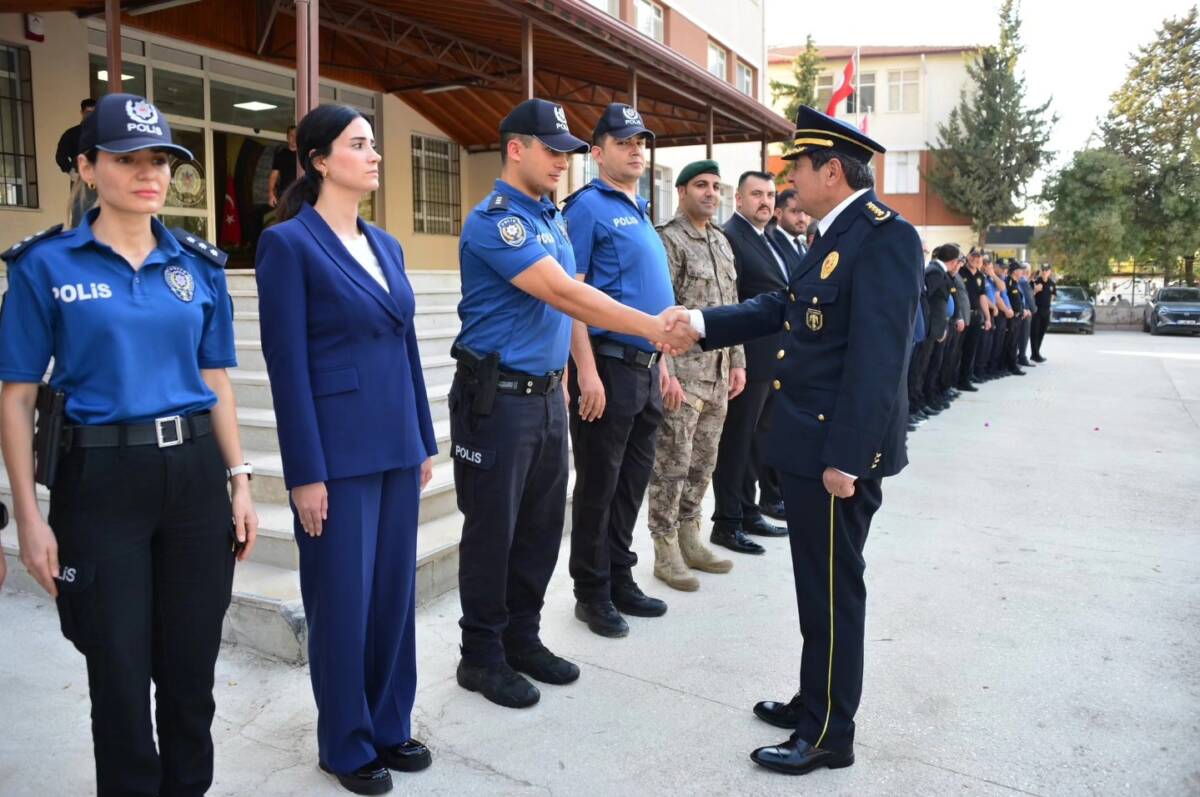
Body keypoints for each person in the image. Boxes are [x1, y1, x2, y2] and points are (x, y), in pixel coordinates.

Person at [0, 92, 258, 797]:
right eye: (127, 159)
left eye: (160, 161)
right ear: (87, 167)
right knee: (116, 674)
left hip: (195, 478)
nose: (149, 173)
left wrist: (239, 479)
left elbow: (217, 381)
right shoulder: (43, 266)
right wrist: (28, 514)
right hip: (100, 481)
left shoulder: (198, 267)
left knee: (189, 673)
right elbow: (17, 396)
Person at [681, 106, 922, 775]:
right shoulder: (832, 234)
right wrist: (699, 321)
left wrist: (848, 456)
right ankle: (814, 699)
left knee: (834, 593)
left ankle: (829, 735)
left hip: (834, 457)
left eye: (798, 167)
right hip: (811, 450)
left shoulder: (883, 238)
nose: (787, 182)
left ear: (832, 171)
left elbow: (879, 360)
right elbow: (783, 310)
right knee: (814, 588)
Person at [450, 98, 693, 709]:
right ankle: (480, 655)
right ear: (515, 148)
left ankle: (522, 639)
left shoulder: (550, 220)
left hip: (542, 396)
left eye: (567, 152)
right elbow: (566, 293)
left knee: (538, 530)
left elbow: (576, 294)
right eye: (552, 150)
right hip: (496, 400)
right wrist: (652, 327)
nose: (563, 161)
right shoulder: (497, 221)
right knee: (493, 533)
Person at [255, 105, 435, 796]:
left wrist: (421, 434)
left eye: (373, 144)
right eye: (359, 145)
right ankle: (345, 741)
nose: (374, 154)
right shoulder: (289, 245)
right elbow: (285, 364)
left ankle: (390, 722)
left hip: (394, 443)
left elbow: (406, 346)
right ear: (321, 160)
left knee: (393, 594)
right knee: (341, 601)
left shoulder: (385, 245)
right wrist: (305, 472)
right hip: (335, 451)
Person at [561, 104, 675, 624]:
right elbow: (571, 297)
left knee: (631, 483)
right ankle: (592, 591)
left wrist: (664, 365)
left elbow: (654, 300)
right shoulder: (587, 207)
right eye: (624, 141)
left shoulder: (638, 209)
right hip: (607, 367)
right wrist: (584, 371)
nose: (635, 149)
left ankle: (620, 575)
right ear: (597, 151)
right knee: (599, 486)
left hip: (646, 368)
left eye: (640, 142)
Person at [646, 160, 745, 584]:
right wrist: (664, 371)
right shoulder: (668, 240)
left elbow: (733, 309)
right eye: (701, 185)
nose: (710, 193)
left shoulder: (722, 242)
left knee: (703, 463)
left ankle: (691, 534)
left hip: (718, 373)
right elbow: (659, 313)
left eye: (716, 186)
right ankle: (664, 546)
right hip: (683, 376)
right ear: (682, 191)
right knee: (672, 463)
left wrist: (738, 362)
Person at [709, 170, 799, 557]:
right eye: (756, 194)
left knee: (754, 442)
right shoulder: (733, 236)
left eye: (769, 194)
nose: (765, 201)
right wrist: (735, 359)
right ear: (739, 200)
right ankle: (727, 522)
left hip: (772, 358)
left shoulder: (768, 238)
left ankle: (748, 511)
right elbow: (733, 303)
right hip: (747, 358)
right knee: (736, 443)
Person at [56, 98, 99, 226]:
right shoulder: (72, 134)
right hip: (81, 178)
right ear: (82, 113)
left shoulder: (103, 134)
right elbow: (61, 156)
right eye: (88, 112)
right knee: (80, 213)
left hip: (102, 177)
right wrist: (71, 171)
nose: (90, 116)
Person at [268, 124, 299, 208]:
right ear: (287, 137)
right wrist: (271, 194)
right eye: (291, 135)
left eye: (296, 135)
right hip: (285, 193)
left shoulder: (304, 154)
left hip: (302, 192)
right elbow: (274, 175)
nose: (294, 138)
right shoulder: (281, 154)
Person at [1031, 264, 1056, 362]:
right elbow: (1029, 296)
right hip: (1037, 311)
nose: (1045, 272)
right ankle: (1035, 354)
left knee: (1041, 332)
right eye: (1043, 270)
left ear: (1050, 271)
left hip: (1046, 311)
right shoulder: (1036, 282)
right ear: (1041, 271)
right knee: (1034, 333)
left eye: (1047, 270)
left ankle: (1037, 353)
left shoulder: (1051, 283)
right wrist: (1035, 290)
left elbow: (1053, 295)